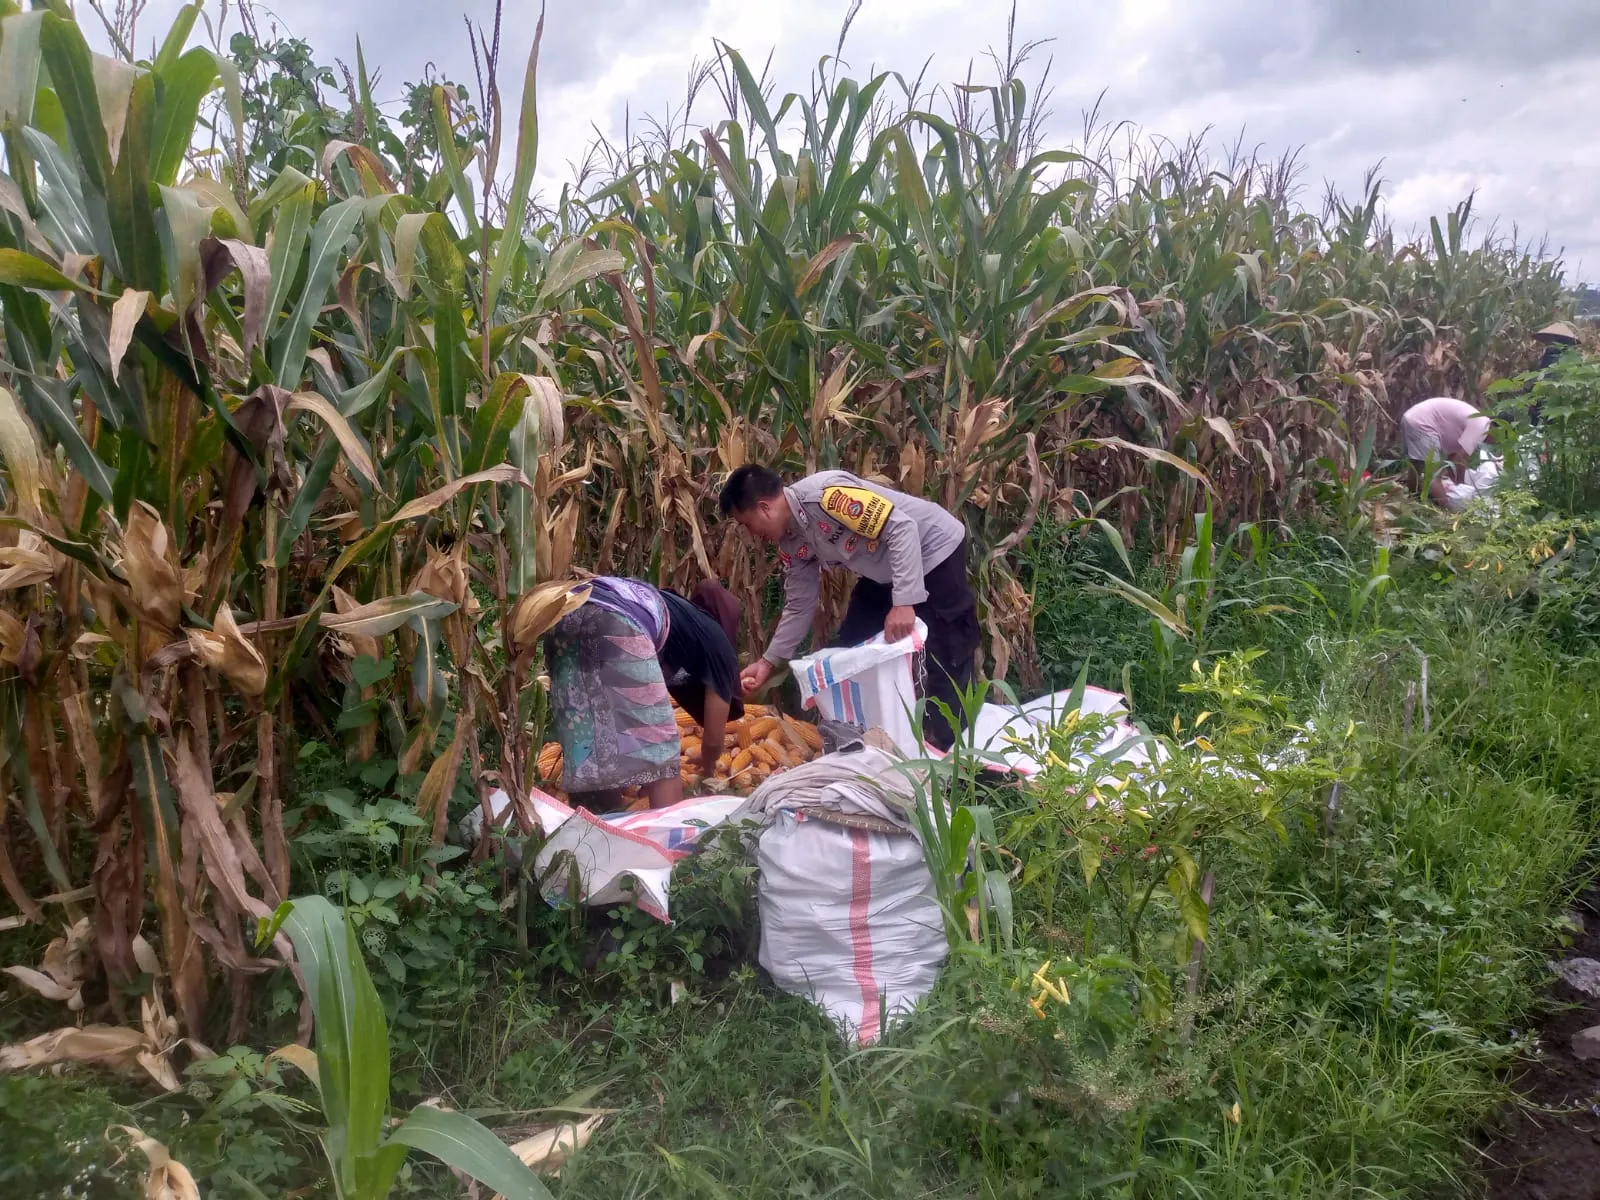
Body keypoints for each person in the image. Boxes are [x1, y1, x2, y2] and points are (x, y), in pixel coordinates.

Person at [718, 465, 980, 750]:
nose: (751, 534)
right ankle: (866, 743)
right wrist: (768, 661)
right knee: (851, 647)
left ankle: (958, 755)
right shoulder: (791, 541)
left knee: (946, 653)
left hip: (932, 549)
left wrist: (904, 601)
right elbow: (799, 604)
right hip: (885, 569)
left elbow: (902, 529)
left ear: (764, 508)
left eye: (746, 524)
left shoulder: (828, 497)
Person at [544, 577, 743, 812]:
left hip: (561, 615)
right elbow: (712, 739)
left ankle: (595, 835)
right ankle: (669, 839)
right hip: (617, 621)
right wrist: (708, 771)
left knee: (586, 742)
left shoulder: (678, 612)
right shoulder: (718, 641)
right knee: (660, 754)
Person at [1398, 397, 1492, 508]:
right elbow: (1459, 462)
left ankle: (1413, 499)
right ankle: (1446, 510)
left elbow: (1453, 460)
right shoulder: (1482, 427)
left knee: (1416, 466)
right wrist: (1461, 487)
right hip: (1423, 423)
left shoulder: (1478, 421)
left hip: (1412, 417)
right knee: (1432, 474)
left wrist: (1459, 486)